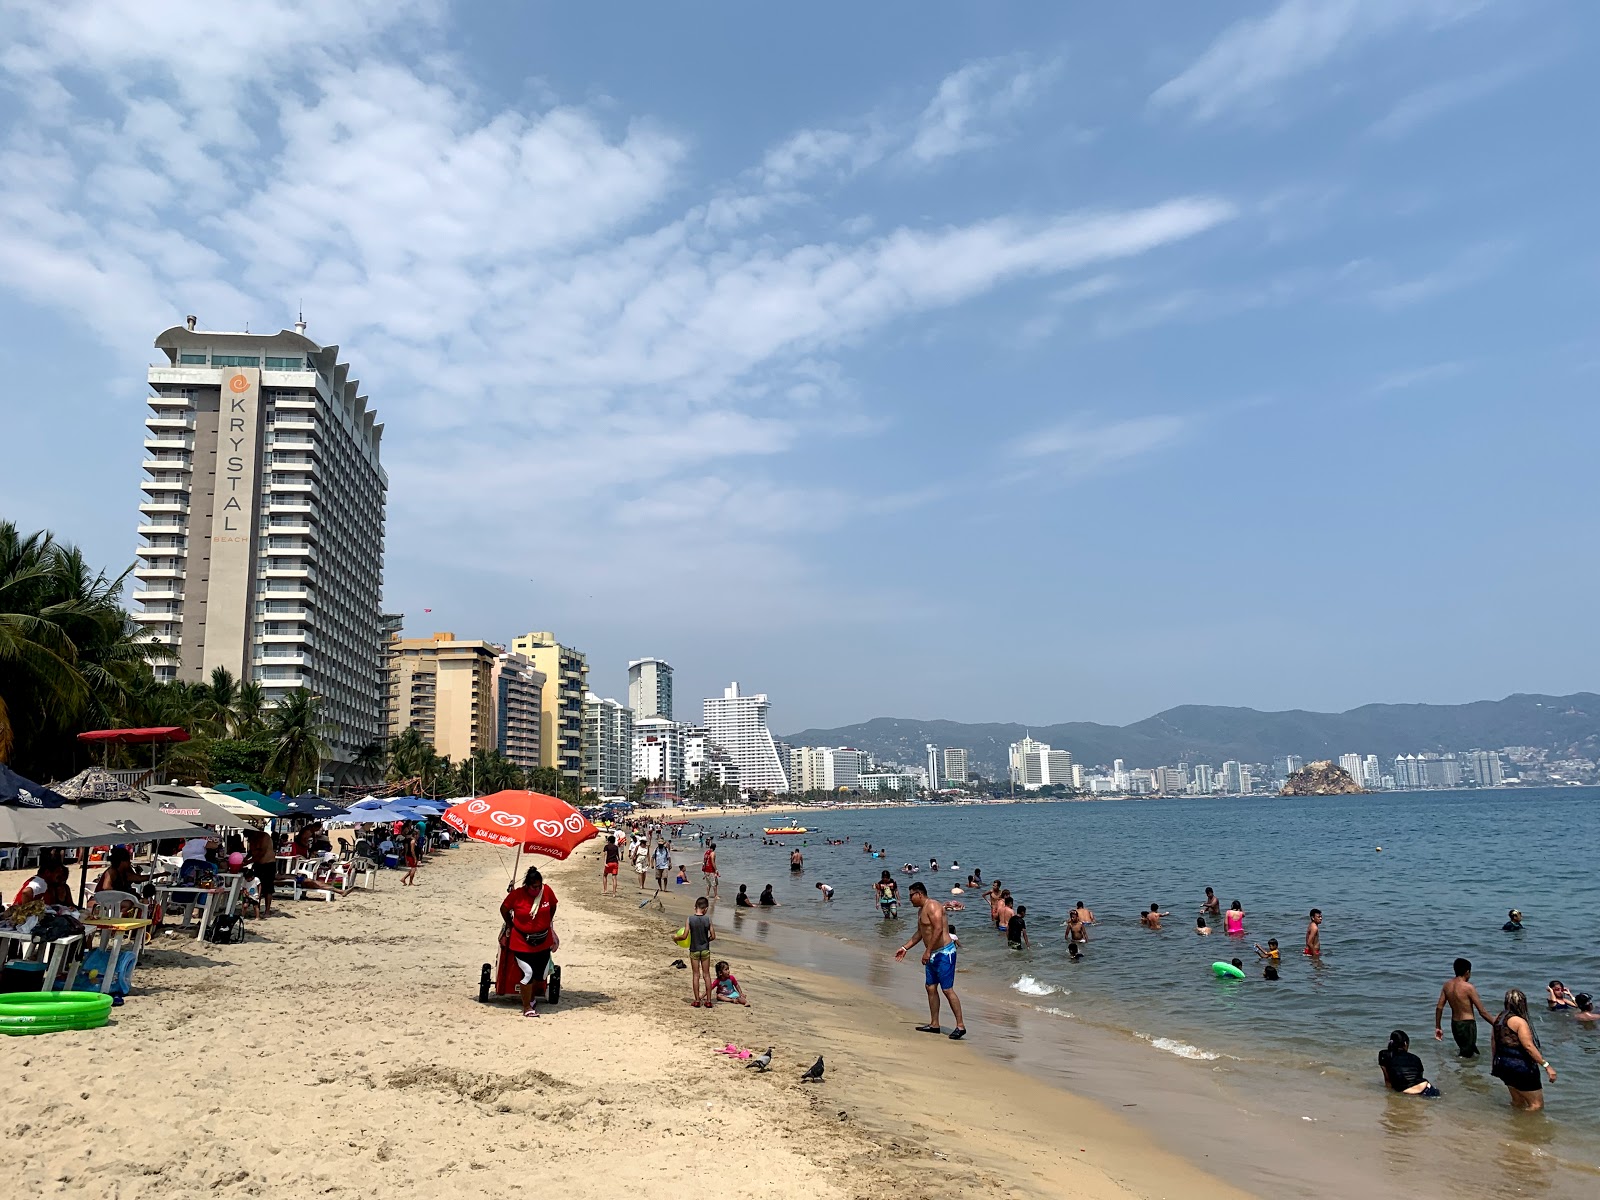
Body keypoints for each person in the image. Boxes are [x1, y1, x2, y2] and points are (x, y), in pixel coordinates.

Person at [895, 881, 965, 1040]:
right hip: (932, 953)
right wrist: (905, 948)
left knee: (947, 989)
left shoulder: (933, 906)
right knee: (930, 987)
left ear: (919, 894)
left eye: (911, 895)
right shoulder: (920, 911)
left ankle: (960, 1026)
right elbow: (920, 933)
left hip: (944, 953)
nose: (910, 899)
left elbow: (938, 929)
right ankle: (934, 1024)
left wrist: (927, 951)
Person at [499, 866, 559, 1018]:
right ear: (527, 885)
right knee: (528, 973)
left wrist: (548, 922)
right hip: (521, 942)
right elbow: (504, 909)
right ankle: (527, 1008)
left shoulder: (547, 892)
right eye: (534, 887)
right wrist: (510, 924)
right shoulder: (517, 895)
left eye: (539, 886)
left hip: (543, 941)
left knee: (542, 974)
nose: (537, 889)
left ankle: (531, 998)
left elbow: (553, 906)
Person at [1491, 989, 1556, 1109]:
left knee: (1518, 1102)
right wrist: (1546, 1066)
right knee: (1536, 1105)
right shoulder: (1519, 1022)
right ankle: (1528, 1127)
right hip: (1520, 1067)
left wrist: (1495, 1062)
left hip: (1503, 1064)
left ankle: (1515, 1125)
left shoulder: (1498, 1018)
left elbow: (1494, 1042)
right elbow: (1529, 1046)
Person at [1434, 957, 1494, 1057]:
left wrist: (1438, 1026)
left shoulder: (1447, 986)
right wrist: (1496, 1024)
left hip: (1455, 1025)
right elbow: (1482, 1011)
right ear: (1467, 972)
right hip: (1468, 1025)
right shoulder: (1468, 987)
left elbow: (1439, 1007)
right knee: (1468, 1055)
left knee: (1465, 1051)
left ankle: (1461, 1071)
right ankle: (1463, 1072)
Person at [1378, 1031, 1440, 1097]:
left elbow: (1388, 1081)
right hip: (1427, 1089)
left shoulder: (1384, 1055)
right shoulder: (1416, 1058)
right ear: (1405, 1044)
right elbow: (1418, 1077)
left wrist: (1390, 1095)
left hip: (1408, 1093)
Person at [686, 897, 715, 1008]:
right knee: (706, 975)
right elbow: (713, 936)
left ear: (695, 907)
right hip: (705, 950)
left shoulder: (689, 919)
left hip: (694, 949)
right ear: (706, 909)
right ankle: (708, 1001)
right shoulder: (708, 920)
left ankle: (697, 1000)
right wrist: (706, 940)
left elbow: (685, 935)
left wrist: (676, 938)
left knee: (696, 975)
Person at [245, 828, 277, 918]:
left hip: (268, 864)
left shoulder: (264, 837)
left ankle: (267, 911)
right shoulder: (253, 839)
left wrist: (248, 862)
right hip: (257, 864)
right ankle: (257, 909)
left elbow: (261, 853)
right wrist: (246, 858)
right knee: (256, 886)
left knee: (268, 888)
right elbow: (251, 851)